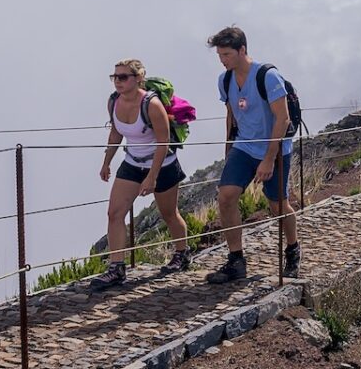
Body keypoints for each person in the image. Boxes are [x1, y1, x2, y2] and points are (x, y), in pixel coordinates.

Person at [205, 25, 300, 284]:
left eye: (226, 54)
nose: (222, 60)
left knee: (277, 205)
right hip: (244, 146)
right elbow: (231, 115)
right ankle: (236, 260)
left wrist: (269, 158)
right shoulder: (224, 80)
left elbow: (283, 118)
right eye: (220, 55)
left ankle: (293, 250)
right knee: (226, 196)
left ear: (242, 50)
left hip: (275, 147)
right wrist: (228, 148)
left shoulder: (268, 77)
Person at [91, 58, 191, 291]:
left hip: (162, 164)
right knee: (114, 213)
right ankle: (117, 267)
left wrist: (152, 177)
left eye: (123, 77)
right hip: (132, 163)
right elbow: (116, 133)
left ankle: (182, 252)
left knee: (168, 213)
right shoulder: (113, 102)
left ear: (138, 79)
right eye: (114, 77)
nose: (117, 82)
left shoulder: (152, 105)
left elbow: (164, 142)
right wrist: (106, 162)